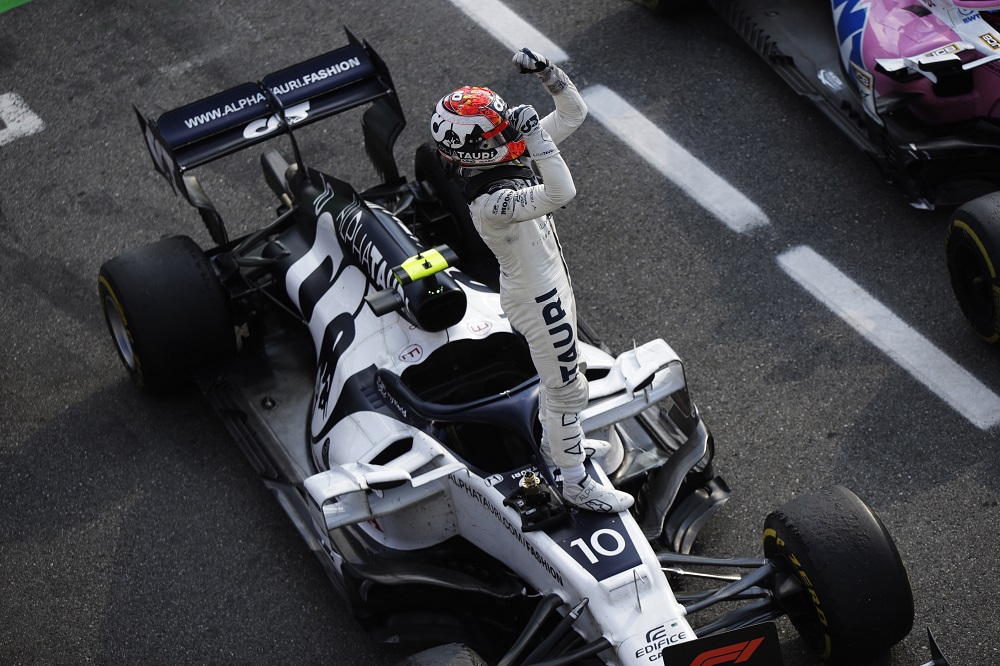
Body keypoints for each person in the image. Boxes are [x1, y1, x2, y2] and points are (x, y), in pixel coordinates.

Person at [429, 48, 634, 513]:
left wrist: (547, 74)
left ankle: (562, 450)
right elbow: (563, 191)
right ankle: (575, 483)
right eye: (498, 129)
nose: (510, 132)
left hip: (549, 284)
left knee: (563, 379)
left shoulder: (500, 156)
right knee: (567, 387)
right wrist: (536, 134)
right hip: (537, 298)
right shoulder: (488, 202)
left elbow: (575, 113)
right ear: (475, 145)